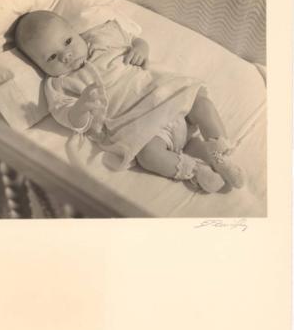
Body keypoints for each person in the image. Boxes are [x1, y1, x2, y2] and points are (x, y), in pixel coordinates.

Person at [15, 10, 245, 193]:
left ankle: (219, 155)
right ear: (39, 66)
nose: (66, 55)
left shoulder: (100, 37)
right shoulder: (58, 85)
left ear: (76, 32)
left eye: (67, 41)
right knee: (148, 156)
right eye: (52, 57)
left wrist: (140, 49)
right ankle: (196, 171)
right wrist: (81, 107)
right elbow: (72, 120)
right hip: (141, 128)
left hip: (166, 95)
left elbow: (135, 39)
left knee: (201, 103)